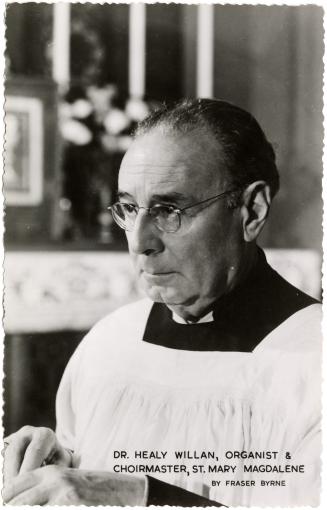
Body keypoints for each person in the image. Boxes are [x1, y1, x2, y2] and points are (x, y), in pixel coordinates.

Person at [3, 99, 322, 506]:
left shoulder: (313, 360)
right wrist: (54, 462)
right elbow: (82, 479)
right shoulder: (111, 341)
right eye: (129, 208)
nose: (139, 243)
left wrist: (139, 494)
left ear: (251, 211)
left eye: (169, 210)